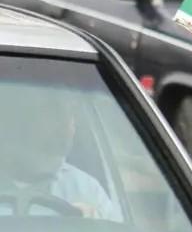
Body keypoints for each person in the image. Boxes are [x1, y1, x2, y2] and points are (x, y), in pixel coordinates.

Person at [0, 87, 122, 221]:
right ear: (21, 118)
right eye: (53, 110)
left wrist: (95, 225)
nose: (66, 121)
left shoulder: (87, 190)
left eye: (71, 113)